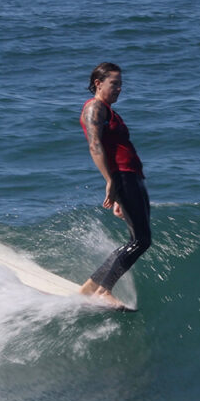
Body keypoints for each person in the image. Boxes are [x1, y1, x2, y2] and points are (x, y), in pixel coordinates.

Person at [78, 62, 151, 309]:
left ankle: (90, 287)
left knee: (136, 239)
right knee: (142, 241)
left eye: (121, 84)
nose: (119, 88)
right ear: (98, 83)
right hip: (123, 176)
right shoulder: (95, 107)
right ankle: (103, 290)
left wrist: (119, 198)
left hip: (131, 177)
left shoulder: (108, 110)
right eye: (114, 83)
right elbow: (95, 145)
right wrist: (111, 182)